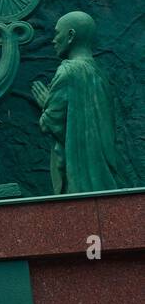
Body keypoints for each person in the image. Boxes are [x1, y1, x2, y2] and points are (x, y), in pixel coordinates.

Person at [32, 11, 125, 194]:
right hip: (104, 169)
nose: (53, 40)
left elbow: (51, 123)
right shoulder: (99, 73)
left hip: (80, 171)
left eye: (57, 33)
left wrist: (45, 104)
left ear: (71, 35)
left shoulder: (68, 72)